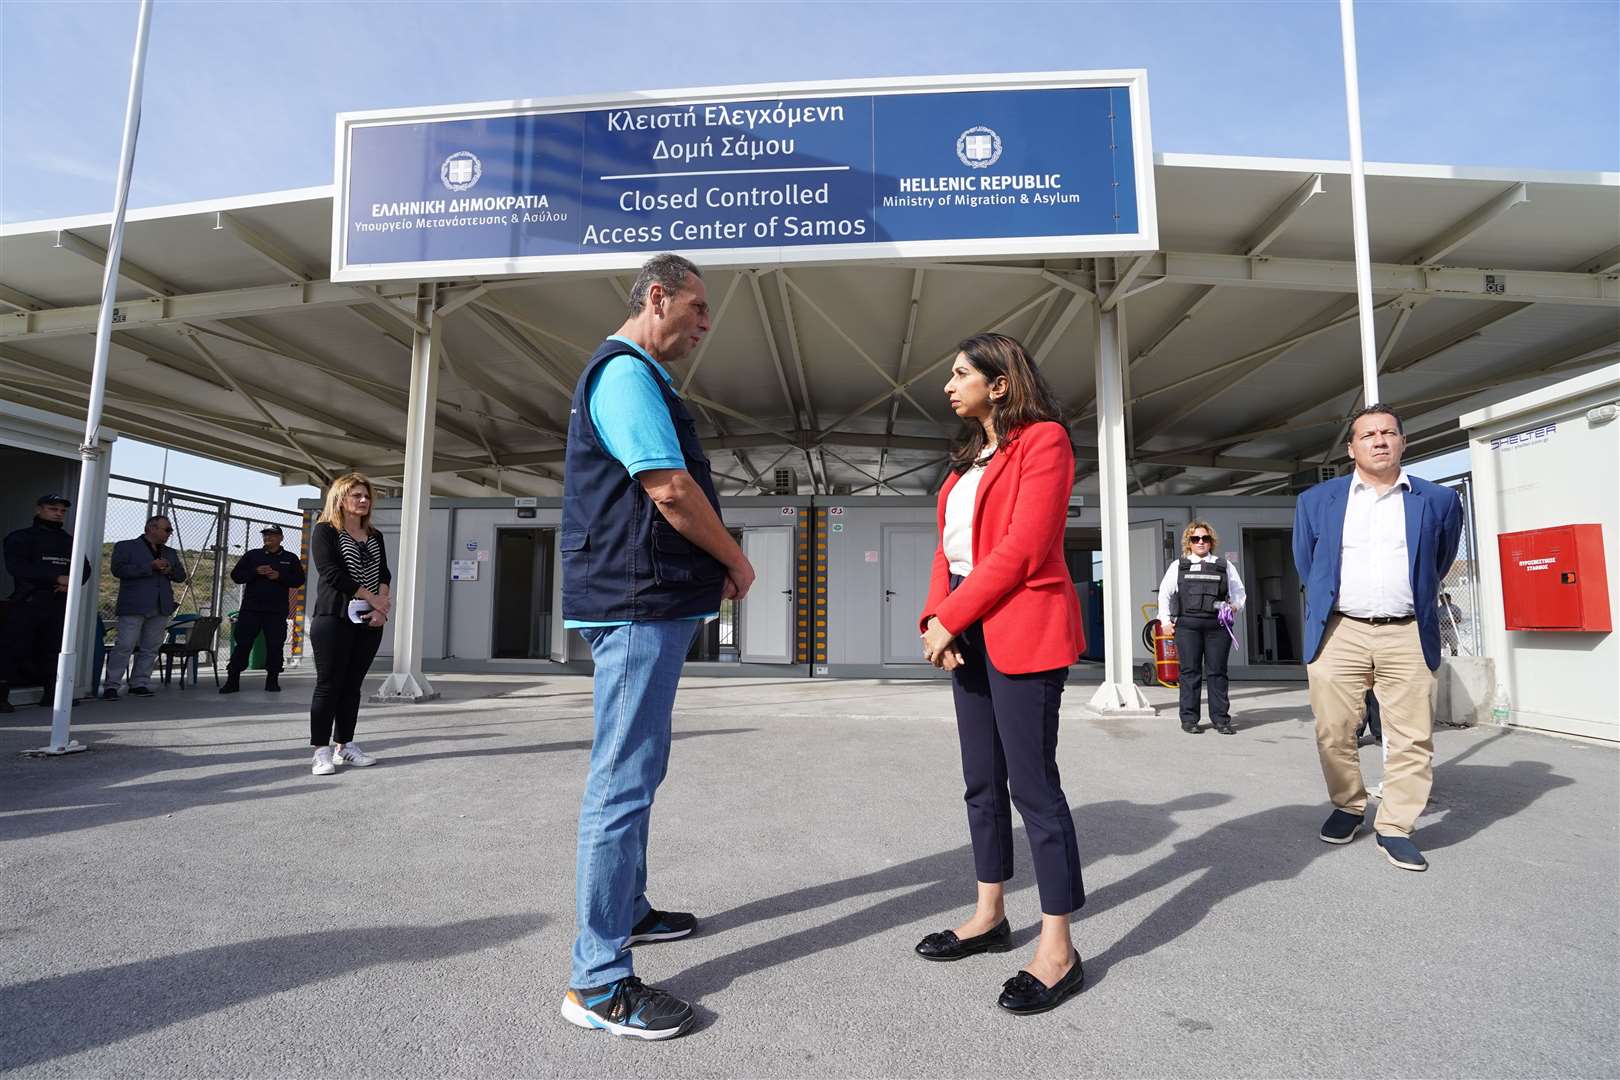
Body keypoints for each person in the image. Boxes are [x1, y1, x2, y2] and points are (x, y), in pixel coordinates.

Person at [557, 253, 755, 1042]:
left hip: (644, 600)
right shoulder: (626, 375)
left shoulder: (641, 378)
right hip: (637, 604)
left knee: (639, 765)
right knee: (622, 779)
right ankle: (597, 983)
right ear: (658, 296)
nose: (703, 326)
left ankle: (628, 909)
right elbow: (668, 488)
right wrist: (736, 558)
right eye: (698, 309)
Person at [913, 332, 1088, 1016]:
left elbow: (1021, 548)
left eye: (961, 374)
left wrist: (951, 617)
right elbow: (950, 549)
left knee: (1034, 788)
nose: (948, 386)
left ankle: (1059, 948)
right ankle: (989, 915)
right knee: (981, 782)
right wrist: (937, 616)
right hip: (968, 623)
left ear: (1001, 383)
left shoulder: (1043, 441)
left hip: (1021, 626)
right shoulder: (964, 463)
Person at [1293, 403, 1463, 872]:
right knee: (1333, 729)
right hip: (1340, 629)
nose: (1380, 440)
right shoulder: (1317, 501)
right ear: (1352, 448)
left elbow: (1439, 561)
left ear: (1404, 442)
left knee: (1412, 736)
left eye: (1389, 432)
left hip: (1407, 631)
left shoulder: (1439, 500)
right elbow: (1309, 566)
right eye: (1368, 435)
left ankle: (1395, 826)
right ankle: (1349, 805)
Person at [308, 473, 390, 776]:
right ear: (341, 499)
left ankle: (345, 746)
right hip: (334, 617)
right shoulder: (325, 531)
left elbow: (384, 573)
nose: (364, 500)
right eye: (356, 495)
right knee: (329, 685)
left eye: (366, 496)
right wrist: (373, 598)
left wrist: (382, 606)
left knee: (352, 686)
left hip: (370, 619)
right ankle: (321, 751)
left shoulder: (375, 535)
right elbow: (331, 573)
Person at [1158, 521, 1247, 735]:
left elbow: (1238, 592)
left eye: (1205, 538)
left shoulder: (1223, 565)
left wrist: (1235, 606)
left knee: (1217, 673)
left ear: (1211, 541)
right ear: (1188, 542)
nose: (1200, 542)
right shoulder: (1179, 566)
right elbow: (1165, 594)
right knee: (1190, 672)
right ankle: (1189, 720)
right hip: (1187, 626)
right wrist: (1165, 622)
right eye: (1195, 538)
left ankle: (1221, 720)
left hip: (1217, 627)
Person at [0, 494, 83, 711]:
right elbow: (18, 567)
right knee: (14, 648)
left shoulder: (69, 540)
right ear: (39, 509)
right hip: (28, 601)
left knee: (54, 649)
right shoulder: (21, 538)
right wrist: (56, 578)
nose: (58, 513)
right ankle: (2, 695)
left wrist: (70, 584)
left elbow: (85, 569)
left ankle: (52, 694)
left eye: (62, 510)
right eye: (52, 509)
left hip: (57, 603)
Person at [103, 515, 187, 700]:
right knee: (125, 645)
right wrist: (149, 566)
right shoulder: (125, 546)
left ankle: (139, 683)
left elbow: (181, 576)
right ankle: (111, 685)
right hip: (134, 605)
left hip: (160, 605)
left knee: (151, 647)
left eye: (170, 530)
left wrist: (169, 571)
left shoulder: (170, 553)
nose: (169, 533)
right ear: (151, 528)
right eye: (167, 530)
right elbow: (118, 570)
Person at [221, 525, 305, 694]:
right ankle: (232, 680)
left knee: (275, 645)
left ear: (281, 538)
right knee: (243, 644)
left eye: (272, 535)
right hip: (251, 610)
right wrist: (255, 572)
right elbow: (236, 577)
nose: (268, 538)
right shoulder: (253, 556)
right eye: (265, 535)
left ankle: (272, 680)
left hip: (276, 611)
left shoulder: (290, 558)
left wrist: (279, 576)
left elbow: (298, 580)